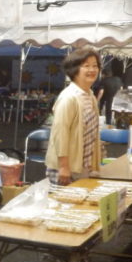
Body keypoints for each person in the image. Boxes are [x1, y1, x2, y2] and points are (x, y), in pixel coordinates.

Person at [46, 48, 102, 185]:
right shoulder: (69, 97)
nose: (92, 70)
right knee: (63, 206)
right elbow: (61, 134)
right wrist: (64, 166)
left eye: (95, 66)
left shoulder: (90, 95)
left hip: (81, 167)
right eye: (86, 66)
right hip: (65, 169)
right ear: (74, 69)